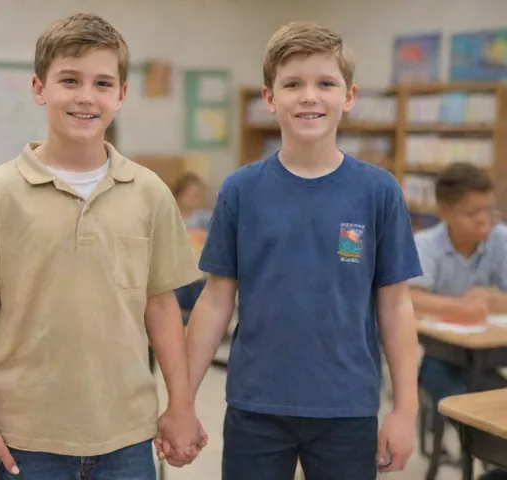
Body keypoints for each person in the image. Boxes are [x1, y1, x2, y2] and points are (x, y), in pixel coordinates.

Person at [0, 13, 206, 480]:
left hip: (127, 434)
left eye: (103, 83)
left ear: (121, 94)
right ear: (39, 88)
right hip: (26, 437)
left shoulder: (149, 193)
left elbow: (162, 308)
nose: (86, 96)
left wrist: (180, 405)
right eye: (70, 80)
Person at [175, 21, 423, 479]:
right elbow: (213, 302)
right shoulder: (240, 190)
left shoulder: (379, 192)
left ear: (349, 96)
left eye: (325, 83)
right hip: (256, 406)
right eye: (293, 84)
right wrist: (181, 401)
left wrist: (405, 410)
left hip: (348, 409)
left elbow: (396, 306)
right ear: (270, 98)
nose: (310, 96)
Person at [410, 163, 507, 480]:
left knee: (495, 401)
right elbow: (408, 298)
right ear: (445, 212)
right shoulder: (426, 244)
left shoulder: (500, 239)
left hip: (485, 355)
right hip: (435, 358)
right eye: (472, 212)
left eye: (488, 209)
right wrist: (458, 307)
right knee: (461, 402)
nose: (484, 219)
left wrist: (494, 300)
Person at [171, 173, 211, 312]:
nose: (194, 199)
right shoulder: (169, 218)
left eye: (198, 195)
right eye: (191, 194)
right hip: (176, 278)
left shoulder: (207, 219)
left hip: (200, 278)